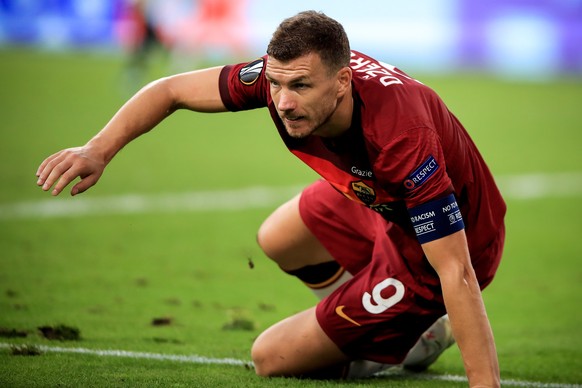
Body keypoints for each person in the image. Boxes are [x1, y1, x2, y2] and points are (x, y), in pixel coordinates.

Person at [36, 10, 506, 387]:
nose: (282, 103)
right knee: (279, 235)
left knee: (271, 357)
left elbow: (456, 270)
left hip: (443, 247)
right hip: (382, 202)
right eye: (276, 85)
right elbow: (171, 89)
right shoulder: (284, 74)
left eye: (300, 87)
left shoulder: (402, 136)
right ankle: (382, 324)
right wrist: (98, 149)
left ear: (342, 82)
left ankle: (409, 339)